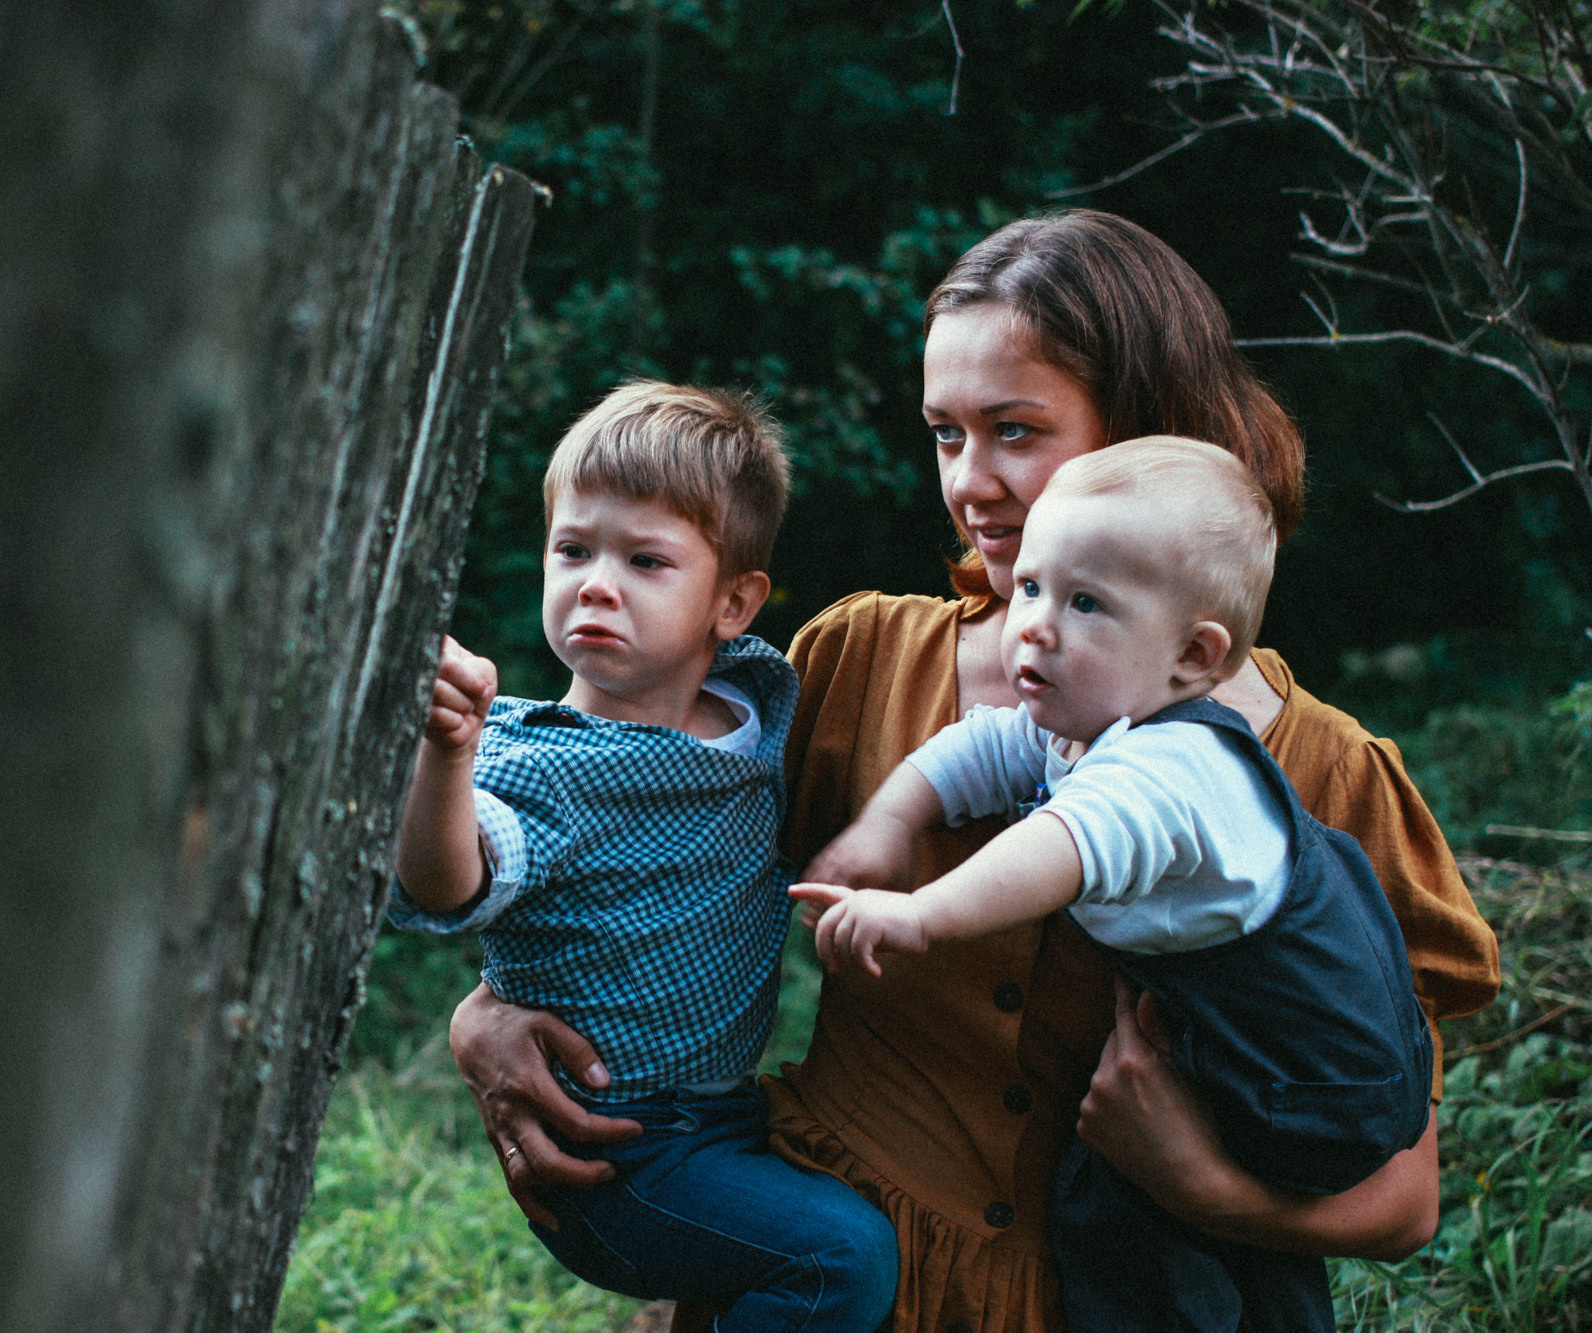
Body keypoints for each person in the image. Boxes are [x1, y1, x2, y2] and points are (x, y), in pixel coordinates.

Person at [445, 210, 1500, 1333]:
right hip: (837, 1276)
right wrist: (489, 1013)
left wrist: (1199, 1182)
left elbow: (1402, 1200)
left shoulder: (1321, 776)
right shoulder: (854, 664)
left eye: (1013, 430)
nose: (971, 483)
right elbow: (618, 841)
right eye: (944, 434)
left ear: (1149, 434)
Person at [794, 437, 1434, 1333]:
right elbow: (981, 746)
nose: (1036, 625)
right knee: (1121, 1211)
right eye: (1029, 588)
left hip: (1311, 1079)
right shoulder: (1092, 718)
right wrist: (889, 823)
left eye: (1085, 602)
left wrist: (923, 913)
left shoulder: (1179, 764)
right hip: (1223, 1039)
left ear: (1191, 654)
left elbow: (1066, 842)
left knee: (1148, 1245)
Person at [389, 380, 899, 1333]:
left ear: (735, 603)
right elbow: (450, 879)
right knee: (845, 1255)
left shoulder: (761, 703)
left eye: (645, 560)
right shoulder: (540, 764)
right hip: (618, 1151)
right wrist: (446, 755)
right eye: (573, 548)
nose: (595, 581)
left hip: (730, 1115)